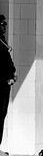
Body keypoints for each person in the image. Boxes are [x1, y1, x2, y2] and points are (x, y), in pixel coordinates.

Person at [0, 14, 14, 144]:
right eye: (2, 24)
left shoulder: (2, 39)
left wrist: (13, 74)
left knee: (2, 114)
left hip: (5, 85)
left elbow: (8, 62)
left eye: (5, 24)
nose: (4, 26)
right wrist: (6, 78)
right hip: (1, 85)